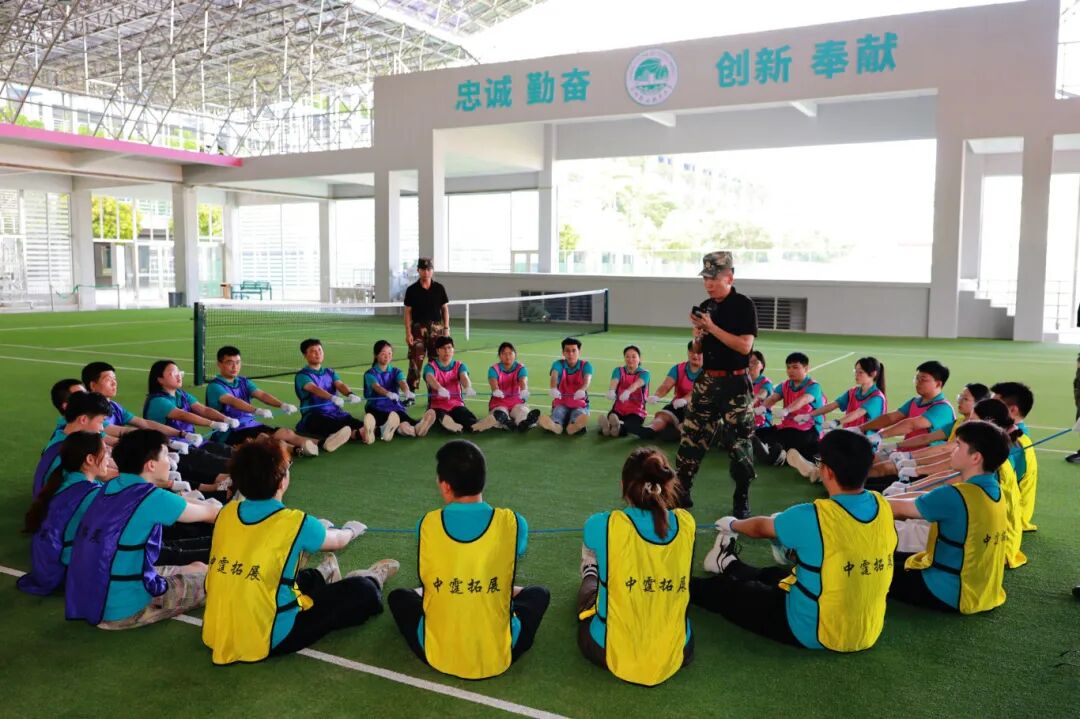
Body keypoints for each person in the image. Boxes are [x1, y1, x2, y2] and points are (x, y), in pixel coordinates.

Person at [691, 430, 895, 652]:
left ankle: (683, 586)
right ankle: (728, 562)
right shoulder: (883, 505)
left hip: (810, 629)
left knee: (726, 591)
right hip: (866, 631)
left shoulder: (814, 515)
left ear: (827, 471)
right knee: (776, 576)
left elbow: (761, 528)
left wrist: (732, 524)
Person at [201, 436, 397, 664]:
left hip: (218, 628)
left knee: (276, 575)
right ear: (282, 481)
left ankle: (324, 574)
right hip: (270, 635)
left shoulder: (226, 512)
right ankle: (372, 578)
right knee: (363, 591)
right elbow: (338, 540)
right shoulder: (296, 522)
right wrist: (352, 530)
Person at [387, 440, 549, 680]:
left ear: (445, 486)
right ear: (483, 480)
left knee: (399, 597)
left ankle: (425, 592)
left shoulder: (427, 524)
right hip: (498, 653)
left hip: (437, 652)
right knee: (539, 594)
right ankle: (509, 591)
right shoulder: (514, 522)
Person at [65, 430, 222, 629]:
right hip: (125, 609)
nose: (170, 462)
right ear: (151, 465)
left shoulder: (109, 487)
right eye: (165, 455)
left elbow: (180, 503)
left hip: (95, 595)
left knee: (199, 566)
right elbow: (212, 514)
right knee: (220, 580)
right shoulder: (152, 498)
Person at [576, 447, 694, 686]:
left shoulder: (602, 524)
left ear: (624, 485)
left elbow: (592, 538)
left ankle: (590, 571)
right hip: (678, 650)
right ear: (666, 484)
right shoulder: (686, 522)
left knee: (590, 592)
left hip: (607, 648)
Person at [887, 420, 1009, 614]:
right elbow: (925, 498)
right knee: (895, 558)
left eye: (958, 446)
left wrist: (862, 502)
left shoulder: (956, 495)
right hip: (983, 591)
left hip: (948, 591)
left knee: (870, 569)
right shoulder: (995, 490)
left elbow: (899, 509)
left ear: (976, 457)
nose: (953, 450)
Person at [676, 251, 758, 516]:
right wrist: (698, 335)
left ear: (729, 277)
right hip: (707, 381)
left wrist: (711, 328)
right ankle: (682, 490)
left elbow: (745, 347)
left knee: (740, 444)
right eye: (705, 279)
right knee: (691, 437)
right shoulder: (706, 306)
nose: (708, 284)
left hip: (735, 384)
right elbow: (698, 350)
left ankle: (741, 496)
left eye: (714, 278)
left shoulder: (743, 305)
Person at [18, 432, 107, 596]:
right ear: (89, 459)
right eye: (105, 452)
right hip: (61, 572)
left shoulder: (65, 479)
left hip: (46, 565)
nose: (108, 458)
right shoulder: (90, 493)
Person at [785, 357, 886, 480]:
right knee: (822, 445)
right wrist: (810, 415)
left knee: (836, 452)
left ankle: (818, 471)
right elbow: (833, 405)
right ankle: (817, 469)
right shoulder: (853, 392)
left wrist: (837, 421)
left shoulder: (877, 397)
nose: (856, 374)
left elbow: (858, 413)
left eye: (860, 372)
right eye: (855, 371)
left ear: (873, 374)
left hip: (865, 444)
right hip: (849, 438)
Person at [144, 360, 233, 496]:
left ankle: (228, 488)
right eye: (172, 373)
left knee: (231, 453)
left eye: (178, 372)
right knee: (225, 465)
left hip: (194, 443)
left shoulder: (182, 395)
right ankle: (224, 491)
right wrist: (211, 424)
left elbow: (203, 409)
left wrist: (225, 419)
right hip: (176, 450)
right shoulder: (157, 401)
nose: (178, 375)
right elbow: (183, 415)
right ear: (160, 379)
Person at [205, 346, 316, 455]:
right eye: (230, 363)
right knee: (265, 440)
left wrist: (282, 405)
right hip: (230, 432)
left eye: (238, 362)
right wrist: (256, 410)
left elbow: (261, 395)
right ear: (219, 364)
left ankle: (320, 443)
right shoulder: (215, 386)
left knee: (285, 432)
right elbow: (233, 401)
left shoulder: (243, 381)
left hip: (251, 425)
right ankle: (296, 450)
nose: (235, 367)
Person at [860, 361, 956, 486]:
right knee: (865, 459)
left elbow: (911, 425)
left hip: (922, 459)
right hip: (902, 452)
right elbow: (891, 417)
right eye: (917, 378)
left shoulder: (943, 408)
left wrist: (880, 436)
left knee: (876, 469)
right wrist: (860, 428)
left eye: (923, 379)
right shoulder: (914, 401)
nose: (918, 382)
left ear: (938, 384)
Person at [294, 338, 373, 449]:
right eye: (313, 351)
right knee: (331, 425)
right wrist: (332, 397)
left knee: (355, 423)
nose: (318, 353)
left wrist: (350, 394)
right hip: (313, 415)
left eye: (320, 350)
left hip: (335, 412)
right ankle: (358, 434)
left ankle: (368, 431)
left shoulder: (330, 372)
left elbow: (340, 384)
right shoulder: (302, 375)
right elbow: (314, 389)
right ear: (305, 355)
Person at [33, 391, 112, 498]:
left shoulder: (63, 436)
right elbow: (105, 473)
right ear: (83, 419)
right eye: (101, 421)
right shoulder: (71, 449)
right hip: (60, 503)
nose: (102, 428)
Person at [755, 352, 826, 468]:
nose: (790, 371)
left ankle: (777, 453)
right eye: (788, 367)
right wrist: (763, 407)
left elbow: (803, 400)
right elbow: (773, 397)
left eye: (795, 367)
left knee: (787, 437)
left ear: (806, 368)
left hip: (809, 430)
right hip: (788, 427)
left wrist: (786, 410)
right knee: (758, 433)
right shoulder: (785, 385)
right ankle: (780, 453)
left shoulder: (813, 386)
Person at [990, 381, 1038, 532]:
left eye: (995, 405)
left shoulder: (1015, 443)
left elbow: (993, 482)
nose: (989, 409)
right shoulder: (1011, 433)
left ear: (1013, 410)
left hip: (1009, 518)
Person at [631, 341, 703, 441]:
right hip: (678, 405)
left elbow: (697, 391)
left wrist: (684, 400)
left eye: (698, 352)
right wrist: (657, 396)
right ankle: (649, 430)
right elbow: (666, 386)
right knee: (663, 416)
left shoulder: (708, 371)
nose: (695, 355)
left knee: (688, 424)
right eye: (692, 351)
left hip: (700, 408)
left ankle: (678, 431)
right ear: (688, 352)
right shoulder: (678, 368)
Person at [363, 340, 427, 440]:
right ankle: (395, 428)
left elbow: (402, 382)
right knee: (393, 417)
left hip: (394, 406)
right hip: (376, 407)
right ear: (376, 355)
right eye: (383, 354)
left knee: (402, 418)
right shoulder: (370, 374)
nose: (387, 356)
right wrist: (388, 393)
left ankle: (401, 429)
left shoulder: (396, 371)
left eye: (389, 353)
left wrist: (407, 391)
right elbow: (377, 387)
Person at [403, 257, 450, 391]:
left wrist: (446, 328)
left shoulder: (439, 288)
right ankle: (410, 394)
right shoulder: (412, 290)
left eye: (429, 269)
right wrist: (408, 332)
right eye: (423, 269)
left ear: (432, 271)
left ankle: (434, 392)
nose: (426, 272)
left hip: (437, 329)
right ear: (418, 270)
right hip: (418, 329)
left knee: (436, 361)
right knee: (415, 360)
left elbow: (445, 309)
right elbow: (407, 312)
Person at [424, 336, 482, 433]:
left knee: (467, 418)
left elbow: (464, 377)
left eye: (449, 348)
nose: (447, 351)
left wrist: (468, 387)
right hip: (437, 405)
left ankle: (475, 425)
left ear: (453, 350)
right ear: (438, 351)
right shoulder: (430, 366)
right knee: (440, 415)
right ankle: (452, 424)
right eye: (443, 348)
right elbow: (430, 377)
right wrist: (439, 388)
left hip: (456, 404)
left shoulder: (459, 365)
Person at [478, 342, 540, 432]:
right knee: (499, 413)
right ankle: (506, 421)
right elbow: (493, 381)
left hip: (517, 401)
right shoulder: (494, 369)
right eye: (504, 353)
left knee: (522, 411)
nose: (507, 356)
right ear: (499, 356)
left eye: (510, 353)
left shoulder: (521, 368)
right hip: (499, 402)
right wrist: (495, 390)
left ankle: (524, 423)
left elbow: (523, 380)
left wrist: (524, 390)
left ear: (515, 354)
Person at [538, 337, 594, 436]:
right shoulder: (558, 364)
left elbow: (587, 379)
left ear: (579, 351)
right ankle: (556, 426)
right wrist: (553, 388)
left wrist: (582, 389)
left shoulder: (586, 365)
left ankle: (573, 426)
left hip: (579, 403)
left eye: (574, 350)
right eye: (567, 351)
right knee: (558, 412)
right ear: (563, 352)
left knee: (578, 412)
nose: (570, 354)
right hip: (561, 402)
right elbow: (554, 376)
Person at [598, 345, 651, 438]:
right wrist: (611, 390)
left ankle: (614, 427)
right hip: (619, 408)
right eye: (627, 356)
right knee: (614, 417)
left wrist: (627, 392)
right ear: (624, 358)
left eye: (634, 356)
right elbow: (614, 381)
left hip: (636, 410)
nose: (630, 359)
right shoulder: (618, 370)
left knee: (630, 425)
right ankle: (612, 427)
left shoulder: (645, 373)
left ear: (639, 358)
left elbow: (637, 384)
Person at [748, 350, 773, 433]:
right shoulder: (742, 381)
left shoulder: (766, 382)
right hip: (744, 421)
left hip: (762, 425)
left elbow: (761, 395)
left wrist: (750, 404)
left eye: (755, 362)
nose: (751, 365)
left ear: (762, 365)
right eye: (748, 362)